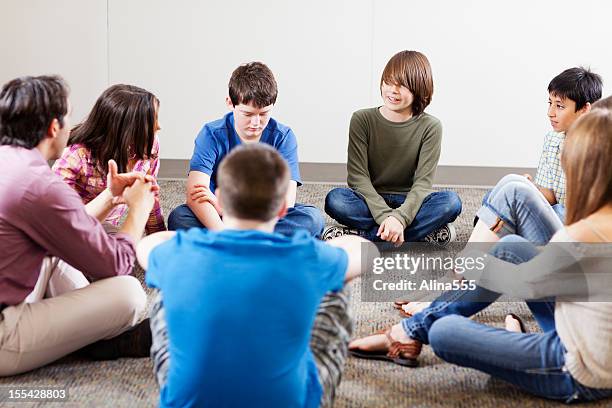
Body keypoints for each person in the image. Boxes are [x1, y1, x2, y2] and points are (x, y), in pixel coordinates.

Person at [349, 108, 612, 403]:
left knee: (445, 332)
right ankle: (410, 330)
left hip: (578, 372)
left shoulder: (581, 235)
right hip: (586, 332)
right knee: (510, 248)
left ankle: (410, 332)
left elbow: (521, 282)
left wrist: (464, 266)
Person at [138, 144, 372, 407]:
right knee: (335, 283)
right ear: (284, 207)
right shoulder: (306, 257)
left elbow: (149, 245)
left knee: (164, 280)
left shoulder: (181, 252)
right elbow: (366, 251)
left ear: (220, 200)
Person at [398, 67, 603, 319]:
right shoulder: (554, 139)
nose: (550, 112)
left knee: (512, 191)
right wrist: (532, 192)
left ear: (585, 109)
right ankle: (455, 278)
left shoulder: (600, 149)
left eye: (560, 106)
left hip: (578, 247)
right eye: (549, 103)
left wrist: (525, 195)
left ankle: (452, 282)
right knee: (511, 186)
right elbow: (550, 195)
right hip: (559, 225)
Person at [0, 76, 155, 376]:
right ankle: (95, 337)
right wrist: (138, 209)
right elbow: (116, 264)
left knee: (55, 245)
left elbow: (72, 227)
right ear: (53, 127)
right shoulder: (40, 184)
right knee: (130, 293)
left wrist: (110, 196)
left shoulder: (12, 164)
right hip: (5, 333)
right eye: (69, 116)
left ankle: (86, 331)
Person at [167, 61, 324, 238]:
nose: (256, 123)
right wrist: (224, 231)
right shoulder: (211, 134)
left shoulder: (283, 136)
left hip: (263, 215)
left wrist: (226, 210)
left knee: (313, 218)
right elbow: (195, 195)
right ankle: (260, 246)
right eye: (248, 114)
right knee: (179, 218)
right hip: (220, 216)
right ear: (230, 103)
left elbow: (286, 202)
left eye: (264, 114)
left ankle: (230, 247)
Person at [323, 50, 462, 246]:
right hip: (369, 200)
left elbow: (423, 184)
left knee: (451, 203)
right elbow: (357, 177)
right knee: (336, 200)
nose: (393, 90)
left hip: (410, 202)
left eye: (402, 85)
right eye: (388, 82)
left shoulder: (431, 127)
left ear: (419, 89)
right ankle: (417, 235)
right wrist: (387, 217)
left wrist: (400, 217)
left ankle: (364, 236)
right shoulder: (362, 119)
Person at [52, 84, 165, 234]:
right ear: (128, 129)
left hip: (108, 228)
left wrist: (159, 238)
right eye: (152, 120)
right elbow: (57, 222)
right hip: (74, 230)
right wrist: (111, 195)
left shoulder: (149, 145)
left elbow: (149, 196)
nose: (159, 126)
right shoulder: (76, 155)